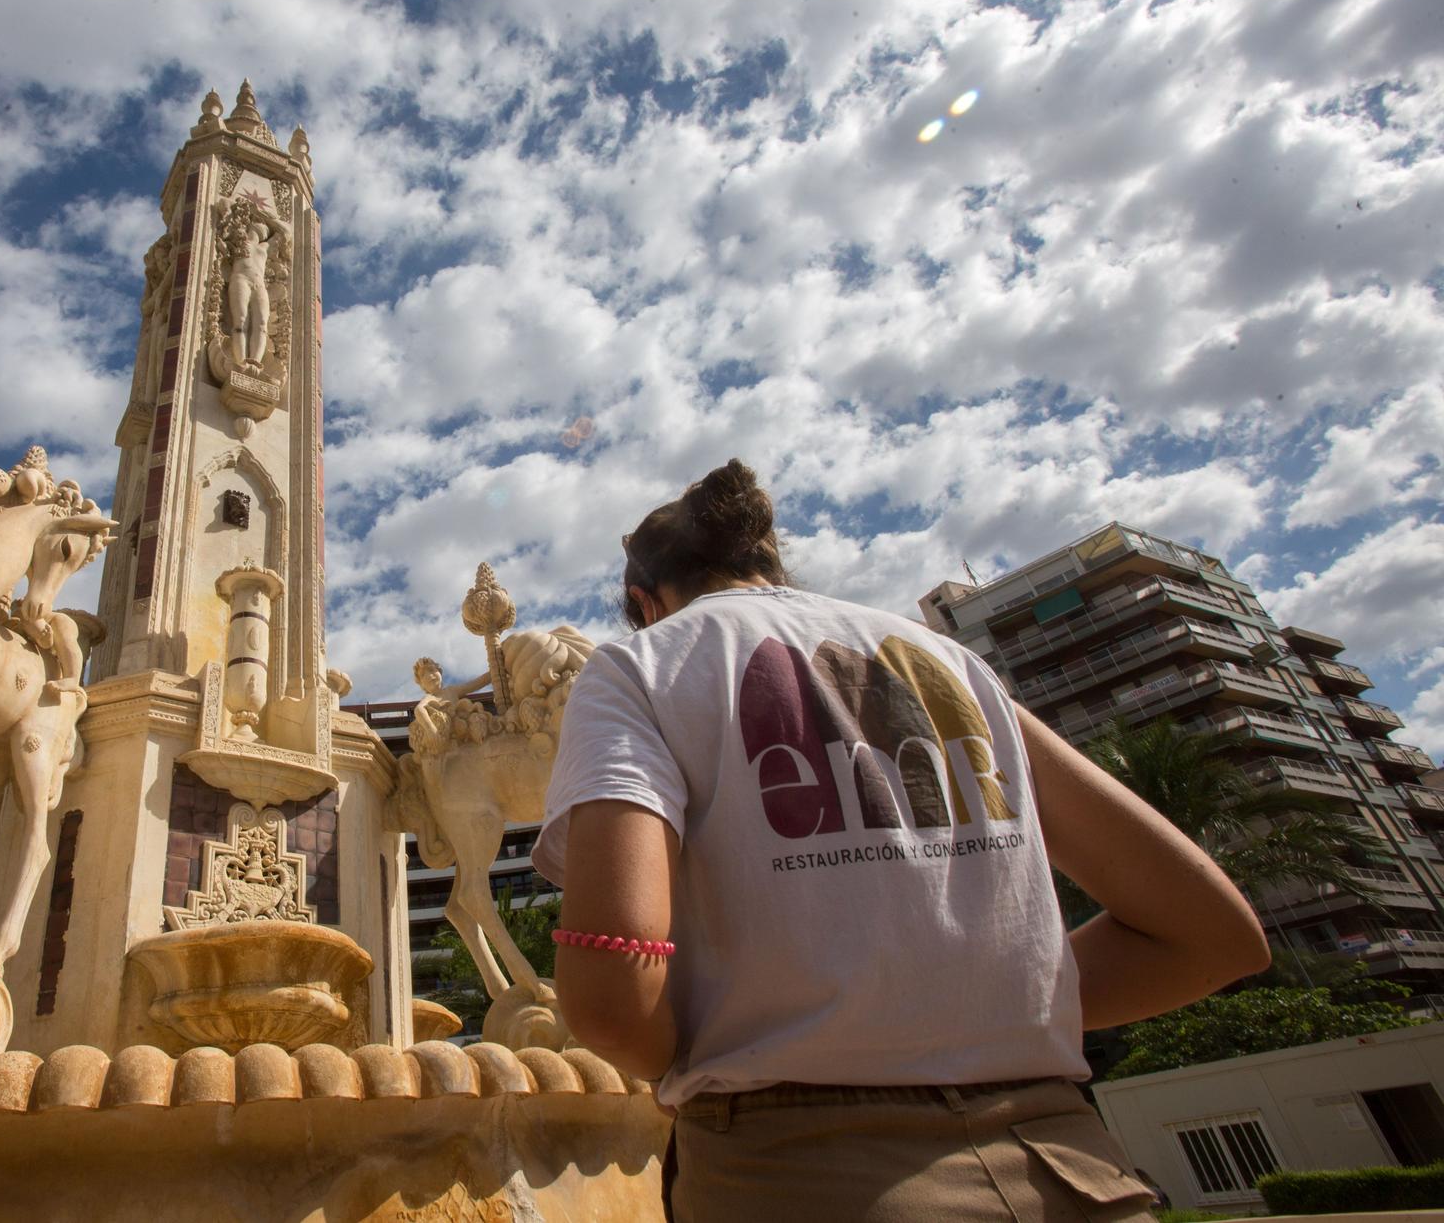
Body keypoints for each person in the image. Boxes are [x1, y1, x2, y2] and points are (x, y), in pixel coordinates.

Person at [530, 459, 1270, 1221]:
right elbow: (1213, 935)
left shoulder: (640, 665)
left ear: (643, 601)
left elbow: (614, 993)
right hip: (1072, 1173)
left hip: (799, 1174)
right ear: (771, 564)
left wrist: (706, 1046)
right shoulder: (951, 664)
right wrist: (967, 1003)